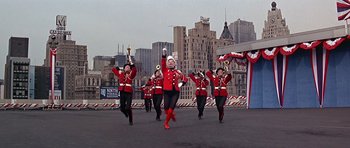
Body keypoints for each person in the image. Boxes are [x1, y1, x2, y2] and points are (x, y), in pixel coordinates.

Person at [161, 48, 188, 129]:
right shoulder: (165, 70)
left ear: (174, 64)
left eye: (172, 62)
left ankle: (166, 122)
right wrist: (164, 54)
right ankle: (171, 115)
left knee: (171, 107)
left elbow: (185, 78)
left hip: (175, 92)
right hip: (166, 91)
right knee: (166, 108)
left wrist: (182, 83)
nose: (170, 63)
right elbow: (162, 62)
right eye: (168, 62)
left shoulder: (178, 72)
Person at [112, 59, 137, 125]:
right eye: (126, 67)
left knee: (128, 107)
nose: (127, 68)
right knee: (122, 108)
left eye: (128, 67)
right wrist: (117, 68)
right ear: (124, 69)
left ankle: (130, 120)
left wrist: (132, 64)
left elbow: (134, 70)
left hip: (128, 92)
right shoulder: (121, 74)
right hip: (122, 92)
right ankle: (126, 114)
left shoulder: (131, 75)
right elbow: (113, 70)